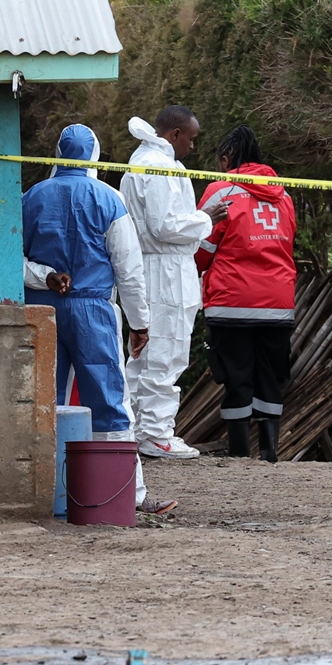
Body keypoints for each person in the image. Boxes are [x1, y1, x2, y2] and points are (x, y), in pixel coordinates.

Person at [23, 123, 174, 514]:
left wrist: (45, 277)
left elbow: (8, 259)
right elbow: (129, 269)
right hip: (94, 312)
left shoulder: (30, 198)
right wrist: (140, 323)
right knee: (109, 401)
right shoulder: (108, 199)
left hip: (41, 309)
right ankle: (127, 495)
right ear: (94, 158)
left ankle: (43, 495)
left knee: (44, 399)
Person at [121, 107, 228, 460]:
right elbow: (164, 225)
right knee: (164, 355)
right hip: (166, 273)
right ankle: (155, 433)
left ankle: (137, 429)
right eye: (192, 139)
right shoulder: (159, 167)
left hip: (158, 268)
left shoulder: (144, 162)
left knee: (144, 357)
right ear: (174, 134)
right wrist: (204, 218)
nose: (192, 148)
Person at [195, 124, 297, 462]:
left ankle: (240, 457)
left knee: (236, 377)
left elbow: (202, 247)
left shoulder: (221, 191)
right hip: (278, 305)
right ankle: (270, 454)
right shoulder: (285, 195)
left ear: (226, 159)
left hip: (231, 302)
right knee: (271, 377)